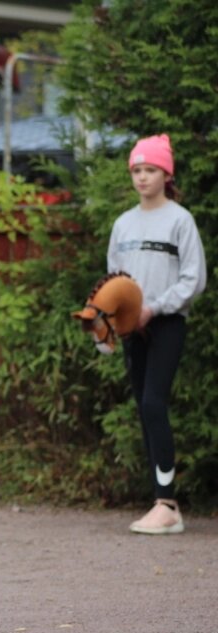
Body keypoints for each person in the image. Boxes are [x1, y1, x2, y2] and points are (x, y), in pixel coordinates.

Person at [107, 134, 206, 534]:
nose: (142, 177)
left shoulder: (180, 220)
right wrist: (113, 320)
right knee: (144, 409)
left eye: (150, 169)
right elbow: (114, 281)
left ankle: (167, 505)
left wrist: (155, 307)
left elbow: (194, 279)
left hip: (166, 324)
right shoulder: (123, 224)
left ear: (167, 174)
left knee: (153, 402)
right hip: (133, 328)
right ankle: (160, 502)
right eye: (137, 170)